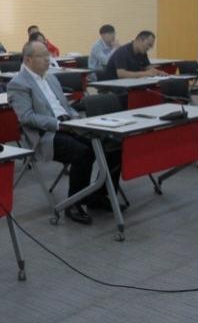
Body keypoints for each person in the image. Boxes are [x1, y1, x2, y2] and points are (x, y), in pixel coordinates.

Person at [7, 41, 120, 225]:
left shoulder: (51, 78)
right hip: (46, 134)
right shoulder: (18, 84)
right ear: (27, 60)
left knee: (113, 145)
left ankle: (97, 196)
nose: (47, 59)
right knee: (82, 153)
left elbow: (66, 107)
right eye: (42, 56)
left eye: (48, 55)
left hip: (69, 125)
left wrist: (77, 120)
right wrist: (59, 125)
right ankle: (73, 204)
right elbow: (26, 117)